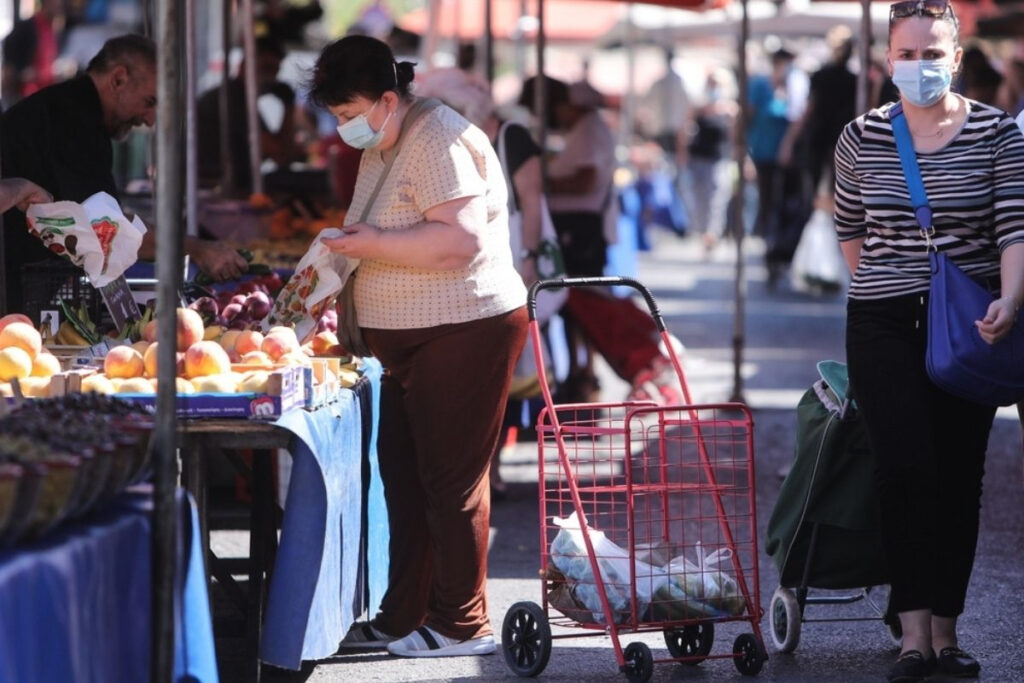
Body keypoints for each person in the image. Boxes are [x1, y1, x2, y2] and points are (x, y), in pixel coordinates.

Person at [310, 35, 528, 658]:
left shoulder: (440, 136)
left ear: (386, 98)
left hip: (465, 328)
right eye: (336, 118)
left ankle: (463, 624)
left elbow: (457, 241)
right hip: (410, 343)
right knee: (404, 477)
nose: (344, 128)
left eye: (350, 115)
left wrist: (370, 243)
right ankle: (404, 612)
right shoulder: (387, 138)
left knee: (450, 481)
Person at [834, 2, 1024, 681]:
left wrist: (1010, 297)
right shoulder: (860, 136)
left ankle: (948, 631)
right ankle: (913, 632)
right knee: (903, 468)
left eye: (932, 53)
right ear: (889, 61)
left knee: (957, 476)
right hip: (883, 322)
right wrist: (891, 289)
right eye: (907, 55)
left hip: (974, 322)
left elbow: (1013, 227)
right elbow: (849, 231)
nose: (920, 67)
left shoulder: (999, 133)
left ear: (956, 55)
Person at [0, 34, 246, 315]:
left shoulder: (74, 109)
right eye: (149, 101)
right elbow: (105, 227)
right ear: (118, 79)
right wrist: (198, 248)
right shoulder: (72, 120)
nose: (150, 119)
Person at [196, 36, 306, 194]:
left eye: (274, 70)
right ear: (243, 66)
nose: (269, 76)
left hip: (222, 185)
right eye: (265, 68)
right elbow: (280, 154)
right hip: (214, 188)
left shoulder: (239, 97)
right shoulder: (233, 98)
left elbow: (281, 153)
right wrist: (288, 108)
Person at [748, 47, 810, 286]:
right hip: (763, 154)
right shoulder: (760, 86)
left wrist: (786, 146)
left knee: (786, 207)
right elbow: (750, 116)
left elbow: (798, 118)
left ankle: (780, 254)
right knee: (769, 206)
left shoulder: (795, 86)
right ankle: (771, 254)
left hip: (788, 160)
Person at [1, 0, 65, 106]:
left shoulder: (54, 29)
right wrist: (20, 71)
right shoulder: (28, 26)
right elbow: (9, 48)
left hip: (45, 91)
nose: (58, 7)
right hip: (27, 92)